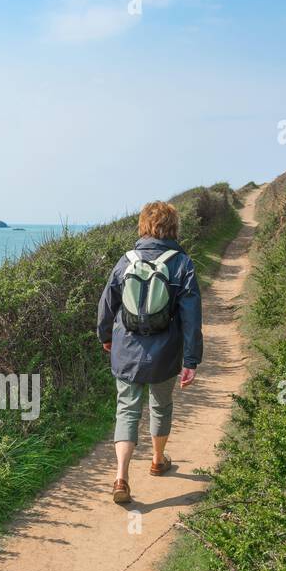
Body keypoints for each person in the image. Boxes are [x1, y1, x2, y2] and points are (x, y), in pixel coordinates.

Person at [96, 200, 202, 504]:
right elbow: (192, 318)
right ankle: (158, 460)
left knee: (127, 408)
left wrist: (106, 337)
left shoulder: (125, 261)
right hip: (165, 352)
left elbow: (106, 305)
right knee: (160, 405)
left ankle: (121, 477)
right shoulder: (182, 264)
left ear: (143, 226)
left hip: (126, 348)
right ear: (173, 228)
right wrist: (191, 359)